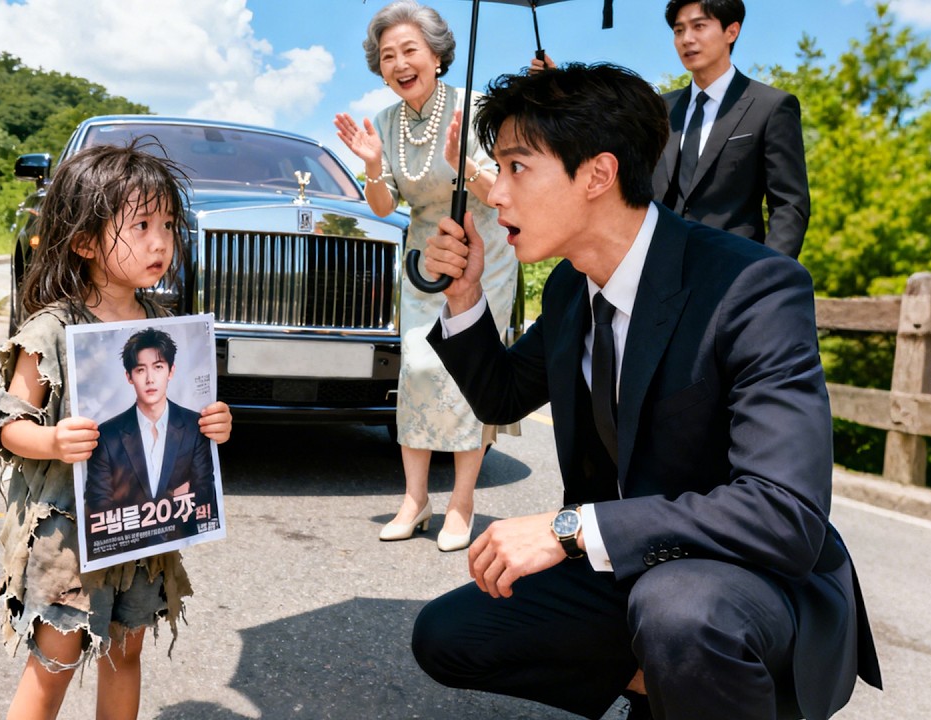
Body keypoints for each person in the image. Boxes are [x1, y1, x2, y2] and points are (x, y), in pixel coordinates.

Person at [410, 63, 880, 720]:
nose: (496, 196)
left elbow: (785, 516)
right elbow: (501, 397)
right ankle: (682, 690)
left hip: (750, 580)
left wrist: (571, 528)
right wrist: (463, 298)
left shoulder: (751, 287)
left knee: (679, 612)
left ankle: (720, 682)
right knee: (449, 636)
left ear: (597, 175)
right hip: (636, 567)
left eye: (518, 168)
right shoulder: (574, 287)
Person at [0, 142, 233, 720]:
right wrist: (49, 440)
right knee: (54, 661)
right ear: (84, 241)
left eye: (168, 225)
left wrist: (213, 424)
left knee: (126, 655)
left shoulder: (162, 327)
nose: (160, 242)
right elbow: (7, 424)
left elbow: (181, 418)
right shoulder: (53, 326)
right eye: (142, 225)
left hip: (142, 529)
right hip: (69, 532)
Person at [333, 0, 520, 552]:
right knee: (416, 368)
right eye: (387, 55)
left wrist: (469, 163)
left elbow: (502, 196)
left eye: (409, 49)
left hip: (483, 255)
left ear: (437, 55)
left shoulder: (477, 108)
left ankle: (462, 503)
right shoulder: (386, 122)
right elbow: (387, 201)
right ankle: (415, 500)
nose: (399, 62)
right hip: (422, 257)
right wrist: (371, 166)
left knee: (470, 373)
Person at [530, 0, 810, 259]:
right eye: (679, 30)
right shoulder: (660, 108)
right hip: (658, 265)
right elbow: (603, 138)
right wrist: (555, 91)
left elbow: (789, 205)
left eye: (699, 26)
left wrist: (771, 273)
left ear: (731, 31)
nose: (687, 39)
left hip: (733, 268)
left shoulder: (770, 106)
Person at [83, 327, 218, 547]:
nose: (150, 379)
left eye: (158, 367)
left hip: (176, 540)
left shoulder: (195, 427)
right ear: (129, 376)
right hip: (123, 547)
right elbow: (98, 506)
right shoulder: (107, 435)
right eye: (140, 370)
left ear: (171, 371)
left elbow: (205, 494)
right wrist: (178, 494)